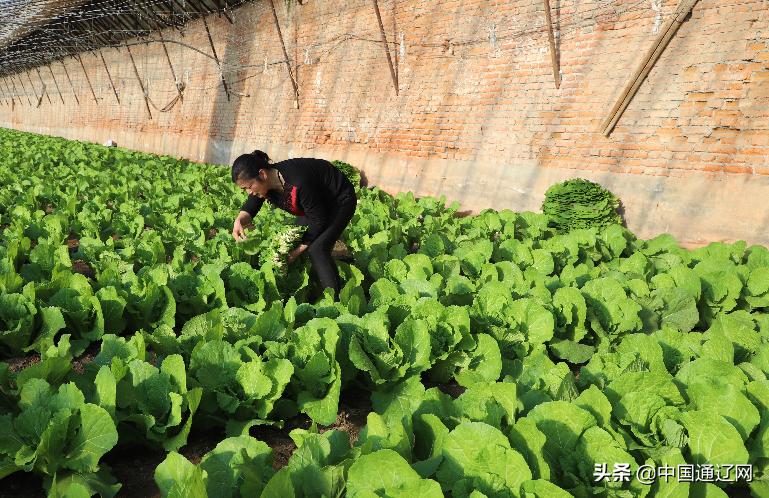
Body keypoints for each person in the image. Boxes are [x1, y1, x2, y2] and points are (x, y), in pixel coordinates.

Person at [231, 150, 357, 299]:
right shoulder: (268, 181)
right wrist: (240, 219)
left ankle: (335, 301)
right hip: (315, 204)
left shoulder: (298, 182)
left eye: (249, 186)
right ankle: (309, 283)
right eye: (244, 189)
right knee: (294, 239)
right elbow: (254, 201)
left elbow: (318, 220)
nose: (248, 192)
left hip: (339, 200)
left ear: (262, 174)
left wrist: (297, 251)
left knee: (317, 249)